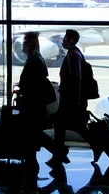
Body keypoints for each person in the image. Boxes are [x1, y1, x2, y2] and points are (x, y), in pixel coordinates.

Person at [15, 32, 68, 172]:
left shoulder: (35, 61)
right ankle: (57, 152)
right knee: (34, 133)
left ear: (30, 45)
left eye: (25, 44)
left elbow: (34, 84)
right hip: (35, 103)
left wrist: (22, 89)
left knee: (34, 132)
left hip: (34, 105)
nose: (23, 48)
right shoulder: (35, 59)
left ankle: (58, 151)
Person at [55, 29, 95, 164]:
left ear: (71, 39)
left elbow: (77, 78)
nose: (62, 41)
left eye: (65, 38)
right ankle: (59, 154)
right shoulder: (75, 53)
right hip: (71, 97)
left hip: (70, 98)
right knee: (71, 125)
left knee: (65, 125)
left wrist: (76, 99)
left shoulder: (73, 55)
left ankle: (59, 154)